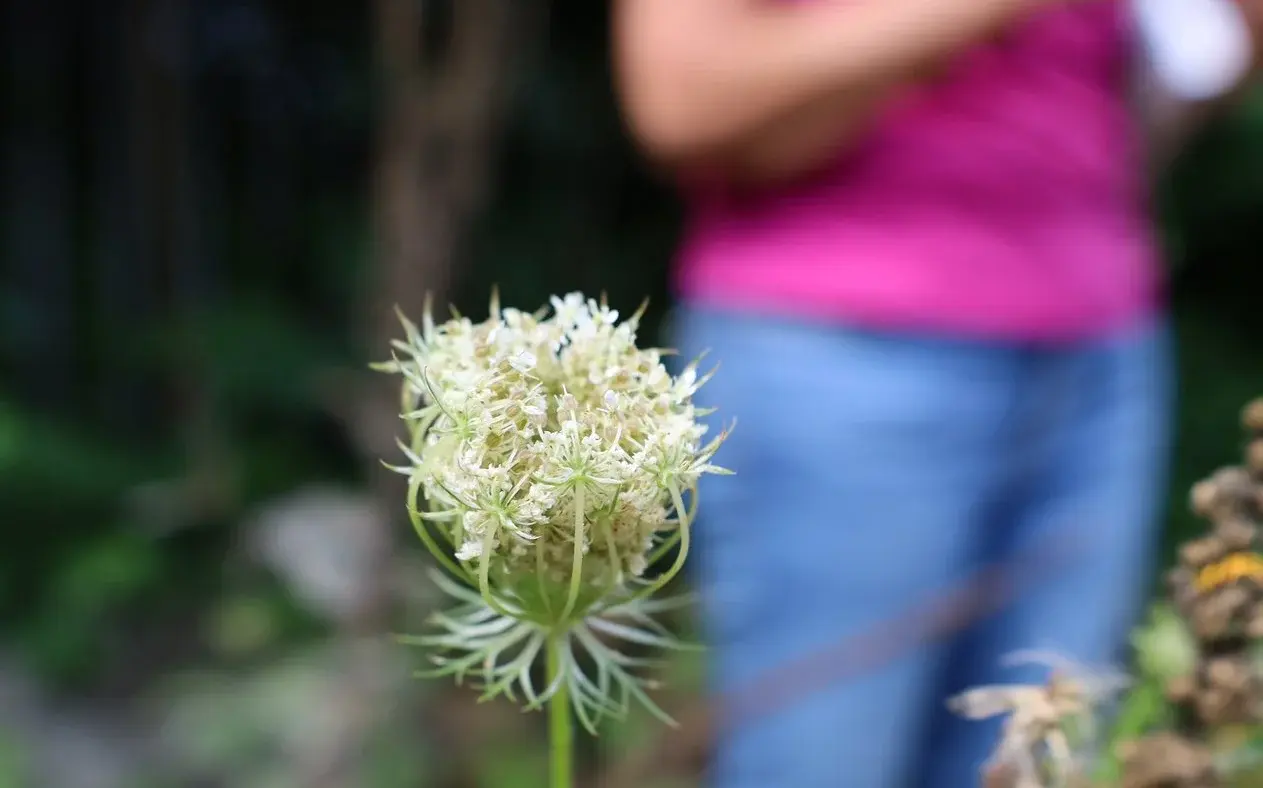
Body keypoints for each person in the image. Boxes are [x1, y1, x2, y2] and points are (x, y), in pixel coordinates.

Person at [611, 1, 1262, 786]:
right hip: (836, 352)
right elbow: (684, 101)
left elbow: (1173, 81)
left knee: (1043, 761)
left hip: (1098, 342)